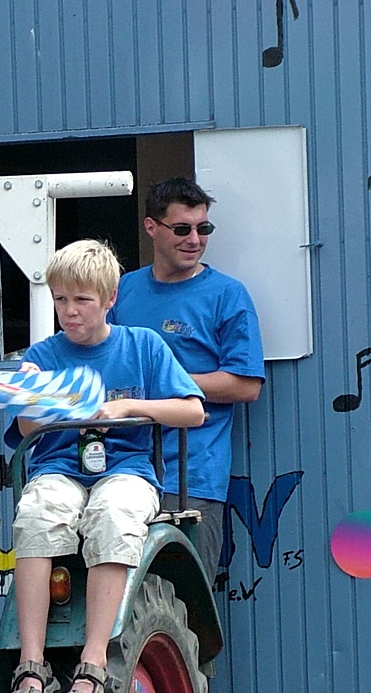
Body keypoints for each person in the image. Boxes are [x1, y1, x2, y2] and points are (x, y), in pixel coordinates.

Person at [2, 240, 204, 693]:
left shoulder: (142, 346)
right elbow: (26, 431)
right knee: (36, 513)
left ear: (110, 298)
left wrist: (130, 408)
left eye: (81, 300)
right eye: (60, 300)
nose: (69, 312)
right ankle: (32, 664)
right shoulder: (43, 355)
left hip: (126, 468)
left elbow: (192, 410)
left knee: (114, 515)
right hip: (59, 468)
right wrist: (32, 396)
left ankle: (94, 660)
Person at [110, 177, 265, 586]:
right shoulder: (122, 289)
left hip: (191, 478)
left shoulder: (227, 294)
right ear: (151, 228)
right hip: (119, 469)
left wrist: (169, 386)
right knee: (116, 604)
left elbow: (246, 385)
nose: (194, 239)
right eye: (182, 229)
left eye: (203, 229)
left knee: (184, 612)